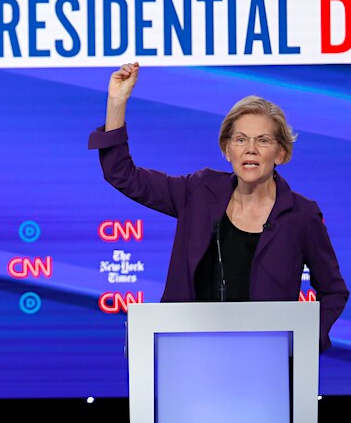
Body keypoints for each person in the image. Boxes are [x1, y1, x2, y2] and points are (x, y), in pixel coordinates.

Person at [88, 61, 348, 353]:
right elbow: (122, 175)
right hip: (188, 354)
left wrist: (306, 341)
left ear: (281, 153)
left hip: (266, 362)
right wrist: (116, 102)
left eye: (262, 140)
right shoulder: (198, 192)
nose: (250, 149)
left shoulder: (302, 214)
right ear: (227, 151)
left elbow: (333, 290)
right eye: (240, 140)